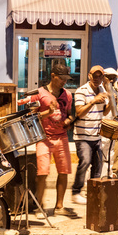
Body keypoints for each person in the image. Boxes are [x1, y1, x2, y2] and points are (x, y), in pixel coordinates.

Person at [28, 64, 75, 218]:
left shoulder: (67, 95)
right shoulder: (40, 93)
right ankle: (39, 206)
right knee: (42, 172)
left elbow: (69, 114)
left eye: (65, 79)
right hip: (44, 138)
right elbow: (30, 117)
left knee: (64, 171)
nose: (64, 82)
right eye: (61, 78)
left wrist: (68, 121)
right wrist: (47, 112)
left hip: (61, 137)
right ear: (53, 75)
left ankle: (59, 206)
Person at [72, 65, 112, 204]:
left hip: (96, 134)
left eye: (99, 76)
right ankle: (76, 191)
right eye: (94, 75)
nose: (97, 78)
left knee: (97, 166)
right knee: (85, 161)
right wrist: (93, 101)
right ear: (89, 75)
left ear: (102, 77)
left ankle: (92, 193)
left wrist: (111, 99)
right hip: (83, 135)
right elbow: (79, 112)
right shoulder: (81, 91)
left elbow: (105, 112)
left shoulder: (102, 89)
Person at [100, 68, 118, 179]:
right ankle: (101, 175)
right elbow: (104, 111)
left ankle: (109, 173)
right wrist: (112, 101)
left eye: (114, 78)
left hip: (112, 124)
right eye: (109, 78)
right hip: (103, 125)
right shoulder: (100, 90)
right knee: (102, 151)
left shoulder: (113, 90)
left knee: (111, 151)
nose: (111, 80)